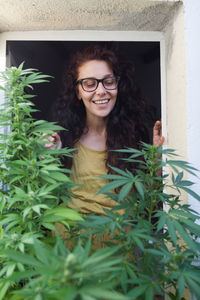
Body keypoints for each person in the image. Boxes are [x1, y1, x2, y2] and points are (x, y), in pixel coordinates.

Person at [46, 44, 165, 216]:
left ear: (117, 85)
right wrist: (48, 158)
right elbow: (46, 200)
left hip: (121, 241)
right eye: (89, 84)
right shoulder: (62, 137)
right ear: (78, 91)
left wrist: (157, 159)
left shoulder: (134, 137)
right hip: (70, 240)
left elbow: (148, 201)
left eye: (108, 82)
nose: (101, 91)